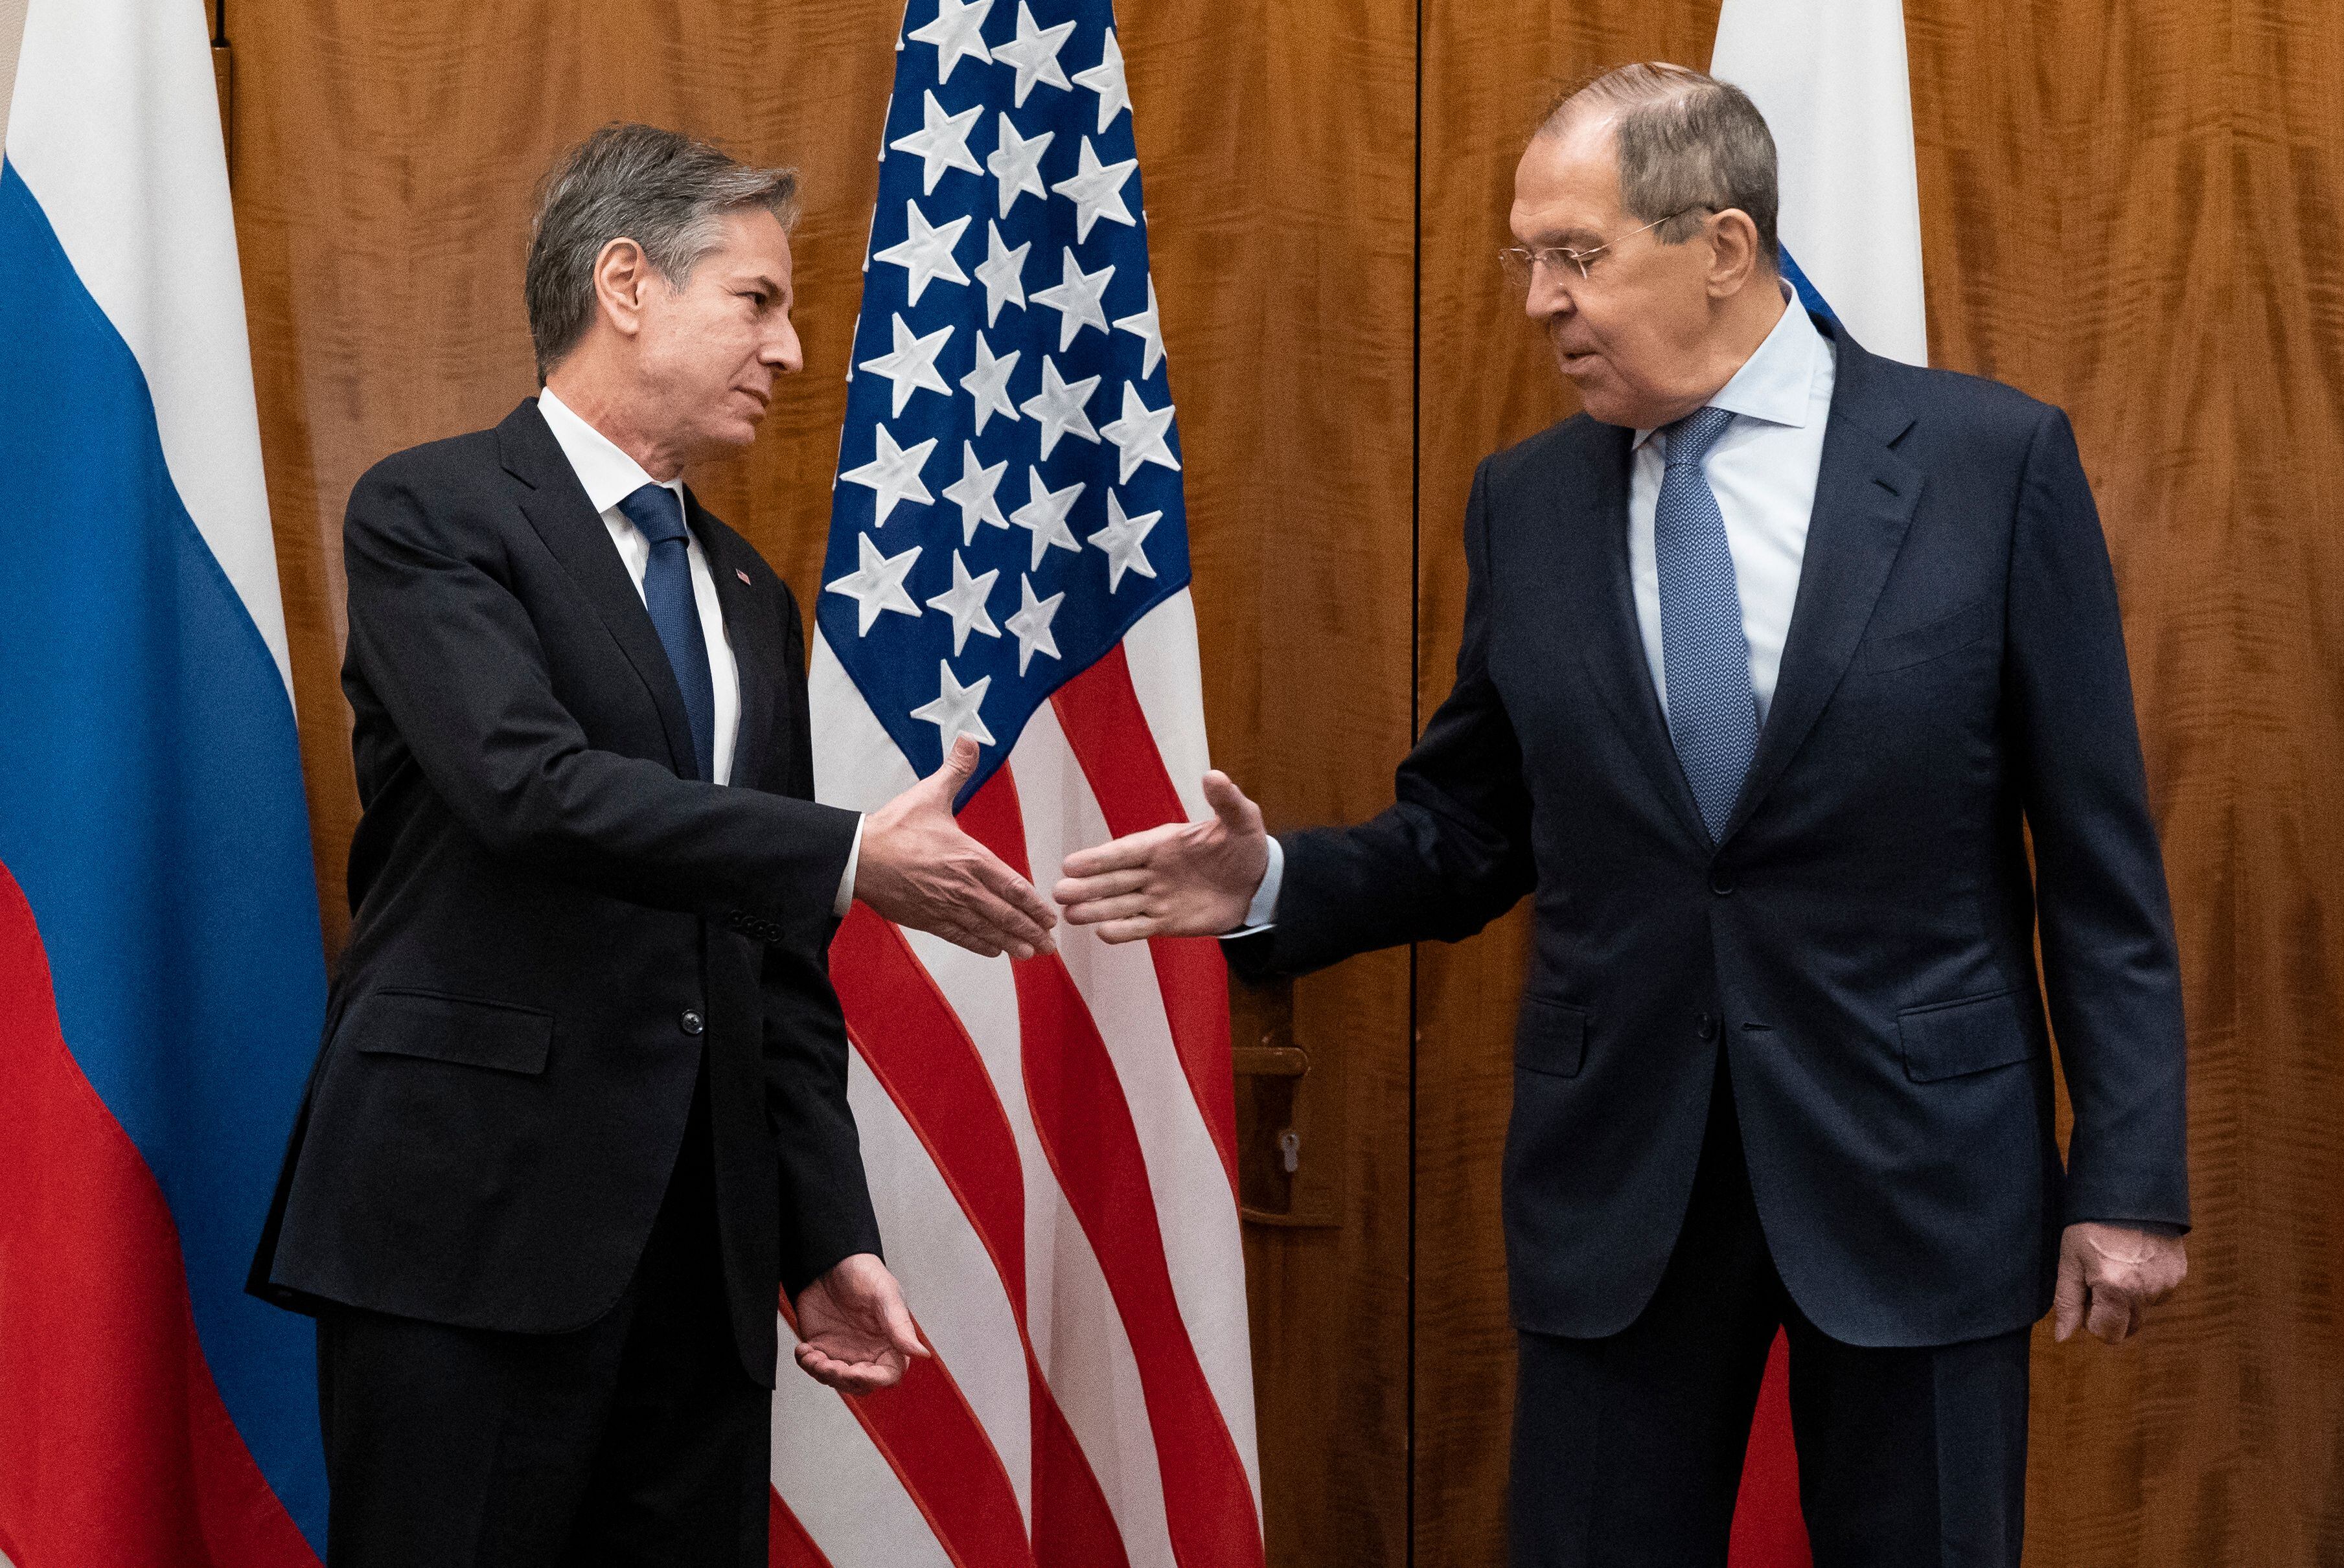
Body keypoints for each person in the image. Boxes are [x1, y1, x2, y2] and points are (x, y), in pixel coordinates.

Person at [1056, 63, 2190, 1568]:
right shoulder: (1526, 502)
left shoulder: (1989, 464)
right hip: (1622, 1189)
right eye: (1524, 256)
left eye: (1575, 256)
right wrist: (1271, 880)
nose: (1538, 301)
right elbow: (1469, 831)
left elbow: (2099, 864)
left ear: (1723, 247)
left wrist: (2126, 1177)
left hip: (1918, 1169)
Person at [248, 123, 1059, 1567]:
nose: (793, 348)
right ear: (626, 282)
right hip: (469, 1231)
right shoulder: (434, 512)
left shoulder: (748, 591)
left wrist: (823, 1233)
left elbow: (774, 953)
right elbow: (530, 788)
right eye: (756, 299)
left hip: (699, 1260)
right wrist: (850, 849)